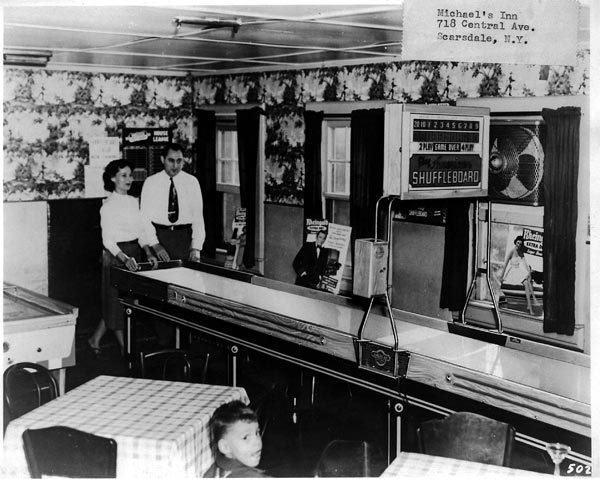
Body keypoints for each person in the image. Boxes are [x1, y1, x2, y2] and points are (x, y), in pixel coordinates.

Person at [88, 159, 157, 357]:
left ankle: (95, 338)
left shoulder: (134, 202)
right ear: (113, 178)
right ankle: (125, 349)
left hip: (134, 253)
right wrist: (125, 258)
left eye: (130, 175)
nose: (129, 179)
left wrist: (149, 251)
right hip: (116, 256)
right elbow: (108, 240)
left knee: (120, 302)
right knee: (116, 304)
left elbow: (142, 231)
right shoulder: (107, 206)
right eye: (123, 175)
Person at [140, 142, 205, 346]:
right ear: (162, 160)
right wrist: (155, 245)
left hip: (183, 238)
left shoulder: (192, 182)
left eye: (179, 161)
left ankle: (184, 341)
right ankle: (164, 342)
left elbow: (198, 217)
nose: (175, 165)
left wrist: (196, 247)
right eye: (171, 160)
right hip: (160, 236)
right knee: (161, 292)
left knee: (184, 292)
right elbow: (144, 218)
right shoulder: (151, 182)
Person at [204, 400, 269, 478]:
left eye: (257, 433)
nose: (257, 442)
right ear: (225, 447)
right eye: (245, 437)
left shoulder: (212, 472)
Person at [499, 235, 540, 315]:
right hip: (512, 272)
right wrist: (501, 276)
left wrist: (529, 271)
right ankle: (532, 302)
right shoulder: (511, 252)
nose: (518, 245)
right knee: (526, 282)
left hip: (518, 271)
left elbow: (525, 263)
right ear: (515, 242)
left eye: (520, 244)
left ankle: (530, 305)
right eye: (517, 243)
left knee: (527, 280)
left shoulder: (521, 252)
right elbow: (505, 264)